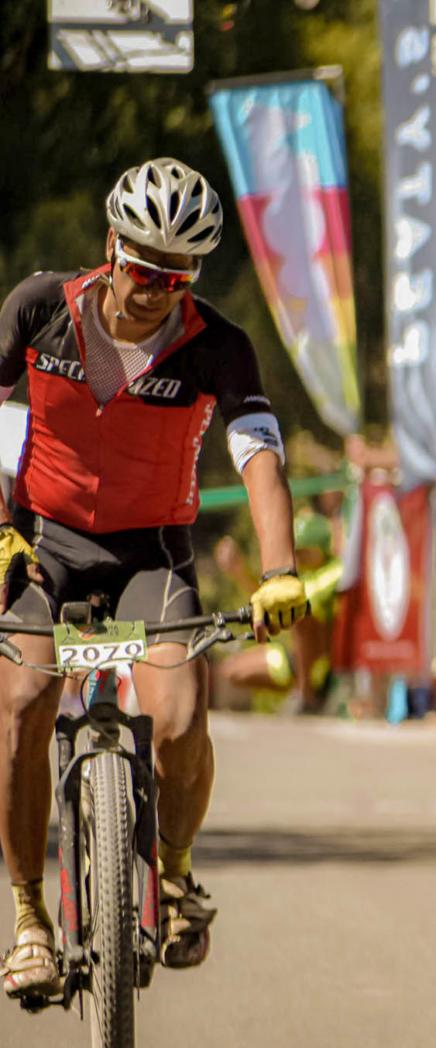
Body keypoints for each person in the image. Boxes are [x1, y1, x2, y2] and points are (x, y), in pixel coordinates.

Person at [0, 157, 308, 998]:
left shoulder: (218, 346)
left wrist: (279, 570)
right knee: (24, 701)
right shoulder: (40, 308)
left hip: (151, 557)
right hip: (42, 544)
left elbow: (260, 458)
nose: (154, 292)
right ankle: (28, 916)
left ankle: (173, 876)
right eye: (142, 271)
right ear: (112, 246)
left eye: (175, 278)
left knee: (177, 717)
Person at [212, 509, 342, 714]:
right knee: (231, 670)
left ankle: (307, 698)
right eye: (297, 551)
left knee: (301, 614)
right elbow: (269, 604)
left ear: (321, 548)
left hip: (325, 661)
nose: (299, 556)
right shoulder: (299, 573)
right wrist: (239, 572)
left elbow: (296, 602)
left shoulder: (335, 571)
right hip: (296, 657)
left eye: (306, 550)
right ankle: (302, 694)